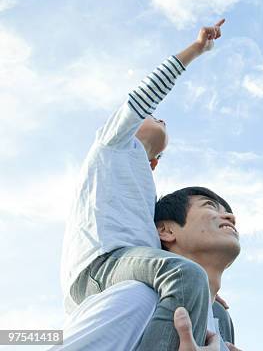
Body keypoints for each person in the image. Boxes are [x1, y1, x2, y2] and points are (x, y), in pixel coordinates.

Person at [60, 20, 227, 350]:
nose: (160, 117)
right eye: (153, 116)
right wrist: (195, 49)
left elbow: (170, 245)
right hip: (100, 265)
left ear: (154, 163)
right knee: (187, 276)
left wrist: (207, 294)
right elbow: (144, 96)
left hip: (130, 267)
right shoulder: (112, 145)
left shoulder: (143, 187)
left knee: (217, 315)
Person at [55, 186, 242, 350]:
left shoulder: (221, 324)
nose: (230, 217)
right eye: (209, 205)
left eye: (228, 212)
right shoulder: (138, 298)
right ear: (166, 231)